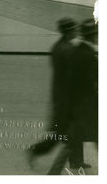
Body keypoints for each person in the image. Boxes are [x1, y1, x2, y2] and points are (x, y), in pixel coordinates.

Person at [27, 17, 82, 171]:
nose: (76, 32)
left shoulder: (61, 46)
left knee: (69, 133)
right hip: (65, 99)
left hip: (62, 96)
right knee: (62, 135)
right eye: (74, 30)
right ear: (68, 32)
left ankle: (75, 161)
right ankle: (38, 153)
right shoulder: (65, 49)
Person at [46, 18, 98, 174]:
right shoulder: (68, 49)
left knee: (76, 135)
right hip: (75, 100)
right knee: (79, 135)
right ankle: (57, 170)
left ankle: (73, 162)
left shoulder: (69, 47)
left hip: (73, 99)